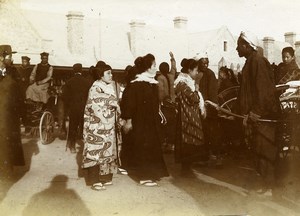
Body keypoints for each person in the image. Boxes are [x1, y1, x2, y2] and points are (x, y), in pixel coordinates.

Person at [236, 31, 280, 196]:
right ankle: (265, 185)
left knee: (264, 149)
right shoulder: (250, 62)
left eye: (239, 45)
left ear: (247, 46)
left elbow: (264, 92)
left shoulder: (258, 62)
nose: (236, 48)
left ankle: (269, 187)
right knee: (258, 149)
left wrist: (255, 112)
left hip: (264, 116)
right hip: (256, 115)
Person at [122, 53, 169, 187]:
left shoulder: (152, 83)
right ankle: (144, 177)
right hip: (141, 123)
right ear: (147, 67)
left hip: (151, 122)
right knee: (144, 148)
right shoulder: (137, 84)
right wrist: (129, 121)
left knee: (152, 148)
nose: (155, 67)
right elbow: (130, 104)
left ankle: (151, 174)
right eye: (154, 65)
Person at [82, 63, 122, 191]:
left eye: (111, 73)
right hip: (96, 125)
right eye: (108, 73)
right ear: (100, 75)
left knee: (107, 151)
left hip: (108, 125)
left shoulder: (109, 86)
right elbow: (97, 104)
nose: (111, 75)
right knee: (95, 152)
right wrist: (114, 104)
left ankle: (104, 177)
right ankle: (94, 180)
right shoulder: (96, 87)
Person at [174, 58, 206, 175]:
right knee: (188, 142)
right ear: (189, 70)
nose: (197, 73)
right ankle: (186, 169)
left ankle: (187, 168)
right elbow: (194, 98)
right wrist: (197, 90)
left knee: (189, 142)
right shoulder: (183, 84)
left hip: (188, 115)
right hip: (186, 117)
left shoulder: (184, 83)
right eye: (195, 70)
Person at [0, 45, 25, 182]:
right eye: (9, 56)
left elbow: (19, 92)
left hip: (10, 116)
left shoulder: (13, 72)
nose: (12, 59)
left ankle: (7, 172)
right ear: (1, 57)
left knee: (7, 144)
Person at [196, 53, 221, 166]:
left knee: (211, 133)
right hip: (202, 107)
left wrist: (211, 104)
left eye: (207, 63)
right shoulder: (199, 74)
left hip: (209, 108)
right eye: (203, 63)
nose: (205, 65)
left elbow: (212, 92)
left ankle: (215, 157)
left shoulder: (209, 74)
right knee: (205, 133)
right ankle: (206, 156)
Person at [63, 63, 91, 153]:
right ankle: (86, 148)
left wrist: (68, 107)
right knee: (84, 127)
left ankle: (72, 146)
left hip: (73, 108)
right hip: (84, 107)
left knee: (73, 127)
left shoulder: (69, 82)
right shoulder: (87, 82)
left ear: (73, 70)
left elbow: (65, 97)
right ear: (81, 70)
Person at [119, 64, 137, 174]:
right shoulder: (131, 89)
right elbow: (128, 106)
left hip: (129, 119)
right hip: (129, 120)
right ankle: (125, 165)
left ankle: (128, 165)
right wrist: (128, 121)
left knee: (129, 143)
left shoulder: (129, 88)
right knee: (128, 143)